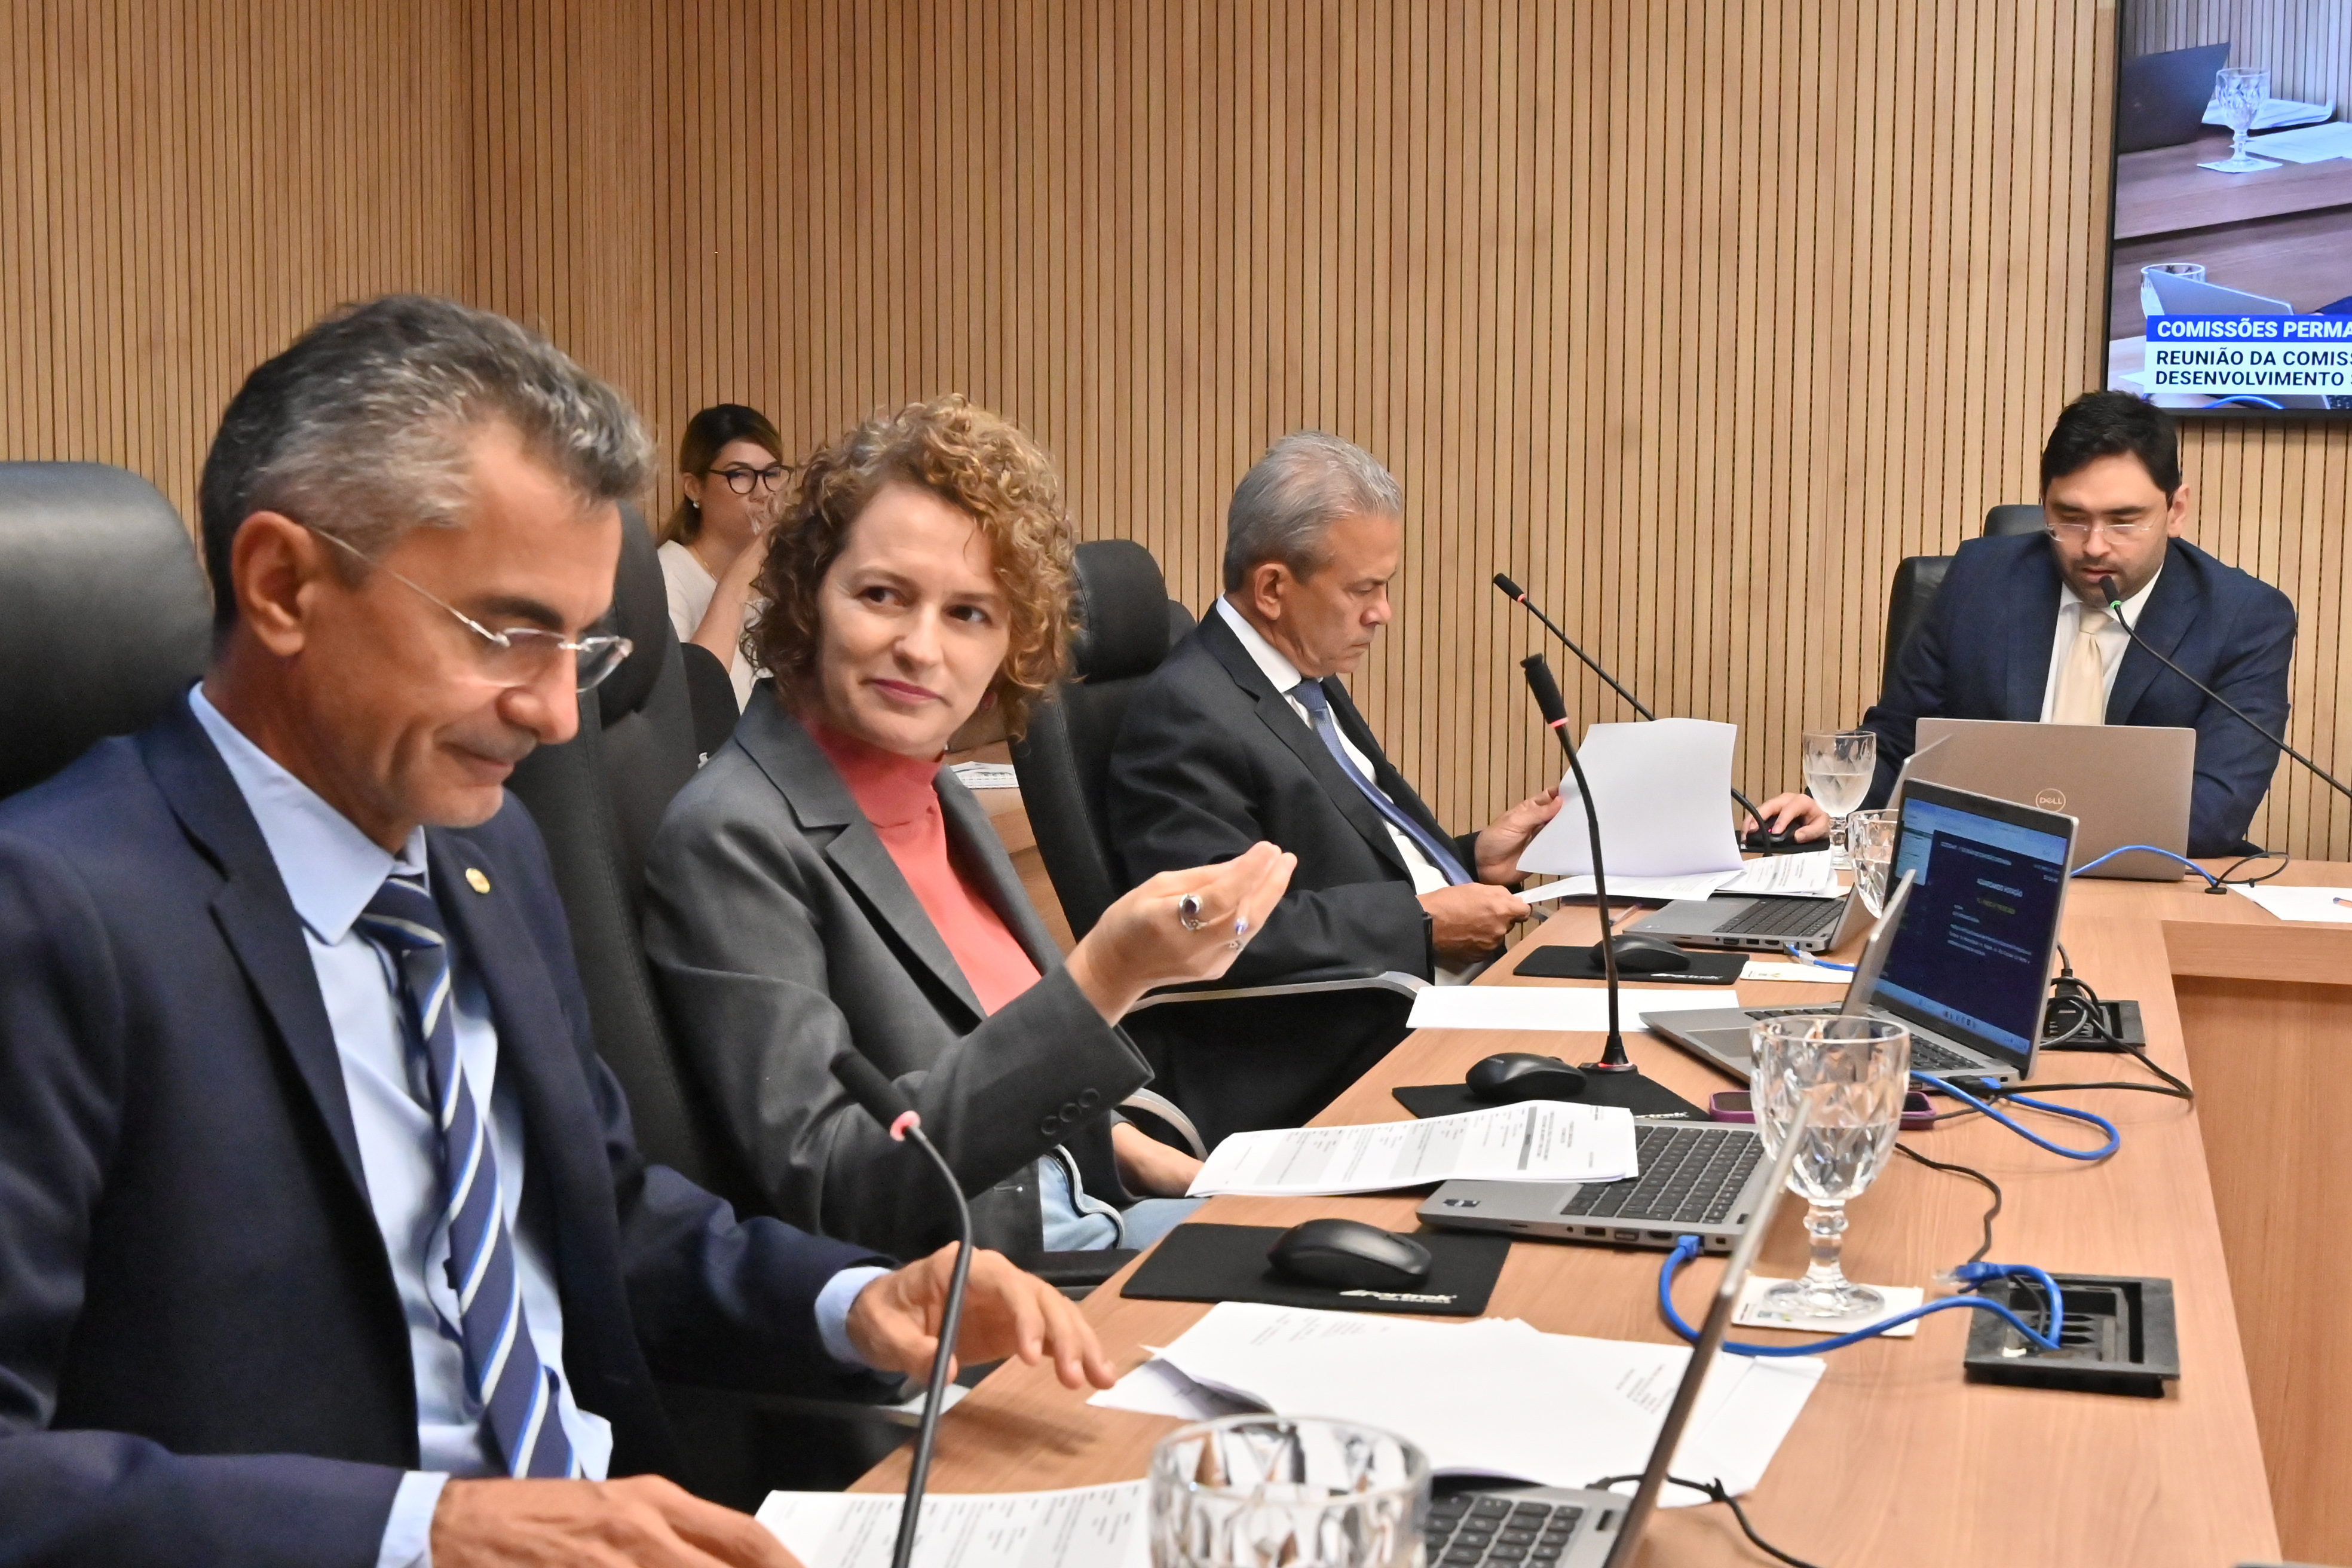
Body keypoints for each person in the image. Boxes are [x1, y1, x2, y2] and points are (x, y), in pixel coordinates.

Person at [0, 297, 1114, 1568]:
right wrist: (428, 1527)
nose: (558, 715)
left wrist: (853, 1299)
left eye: (581, 645)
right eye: (508, 632)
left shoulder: (485, 855)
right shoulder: (49, 914)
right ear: (283, 586)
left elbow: (607, 1217)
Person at [642, 396, 1296, 1264]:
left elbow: (1001, 1054)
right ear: (807, 598)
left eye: (969, 614)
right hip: (990, 1291)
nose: (922, 648)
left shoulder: (933, 791)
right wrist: (1105, 977)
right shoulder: (732, 835)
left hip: (1092, 1220)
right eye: (882, 595)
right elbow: (838, 1188)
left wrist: (1170, 1171)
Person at [1104, 431, 1563, 1138]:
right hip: (1332, 1047)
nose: (1383, 611)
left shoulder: (1301, 677)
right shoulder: (1186, 714)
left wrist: (1471, 858)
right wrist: (1422, 926)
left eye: (1385, 585)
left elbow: (1347, 856)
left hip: (1427, 1000)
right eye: (1362, 589)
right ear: (1273, 588)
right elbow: (1213, 927)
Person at [1748, 391, 2296, 857]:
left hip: (2147, 880)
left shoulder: (2245, 618)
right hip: (1975, 868)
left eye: (2124, 521)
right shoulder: (1980, 582)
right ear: (2045, 505)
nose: (2094, 546)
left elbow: (2215, 811)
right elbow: (1900, 742)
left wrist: (2017, 832)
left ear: (2176, 511)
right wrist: (1831, 808)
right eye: (2071, 519)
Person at [659, 403, 786, 708]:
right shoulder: (666, 573)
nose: (762, 492)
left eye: (771, 474)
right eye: (740, 475)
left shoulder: (785, 577)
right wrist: (748, 564)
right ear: (693, 488)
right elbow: (692, 700)